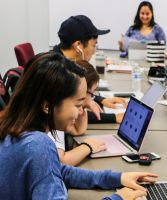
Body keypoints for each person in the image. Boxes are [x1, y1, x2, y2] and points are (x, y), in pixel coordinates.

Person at [0, 52, 158, 200]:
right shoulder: (38, 145)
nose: (82, 111)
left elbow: (58, 171)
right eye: (78, 104)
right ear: (47, 105)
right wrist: (118, 198)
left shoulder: (12, 129)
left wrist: (118, 178)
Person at [52, 15, 127, 124]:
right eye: (94, 46)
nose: (94, 52)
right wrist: (115, 117)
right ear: (77, 46)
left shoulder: (58, 60)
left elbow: (77, 96)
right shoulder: (59, 73)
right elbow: (71, 114)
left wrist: (101, 100)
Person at [47, 60, 107, 166]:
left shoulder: (58, 113)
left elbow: (78, 131)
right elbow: (60, 162)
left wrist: (82, 104)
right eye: (91, 94)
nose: (91, 99)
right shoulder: (54, 117)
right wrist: (87, 147)